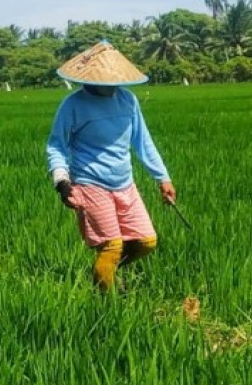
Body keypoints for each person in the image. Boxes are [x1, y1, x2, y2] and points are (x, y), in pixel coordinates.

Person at [46, 41, 177, 293]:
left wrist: (163, 178)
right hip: (90, 183)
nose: (113, 86)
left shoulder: (128, 100)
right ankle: (108, 303)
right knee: (112, 246)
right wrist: (61, 181)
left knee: (146, 241)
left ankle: (104, 271)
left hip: (124, 184)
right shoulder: (73, 105)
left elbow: (143, 141)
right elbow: (56, 146)